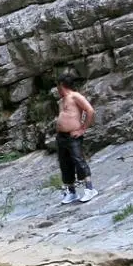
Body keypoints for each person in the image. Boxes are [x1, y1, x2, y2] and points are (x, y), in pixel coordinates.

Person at [54, 75, 97, 204]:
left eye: (58, 86)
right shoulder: (62, 101)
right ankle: (71, 192)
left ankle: (90, 189)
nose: (57, 89)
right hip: (62, 137)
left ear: (62, 85)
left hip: (73, 136)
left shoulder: (75, 96)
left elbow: (89, 110)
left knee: (78, 160)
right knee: (65, 163)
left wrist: (83, 129)